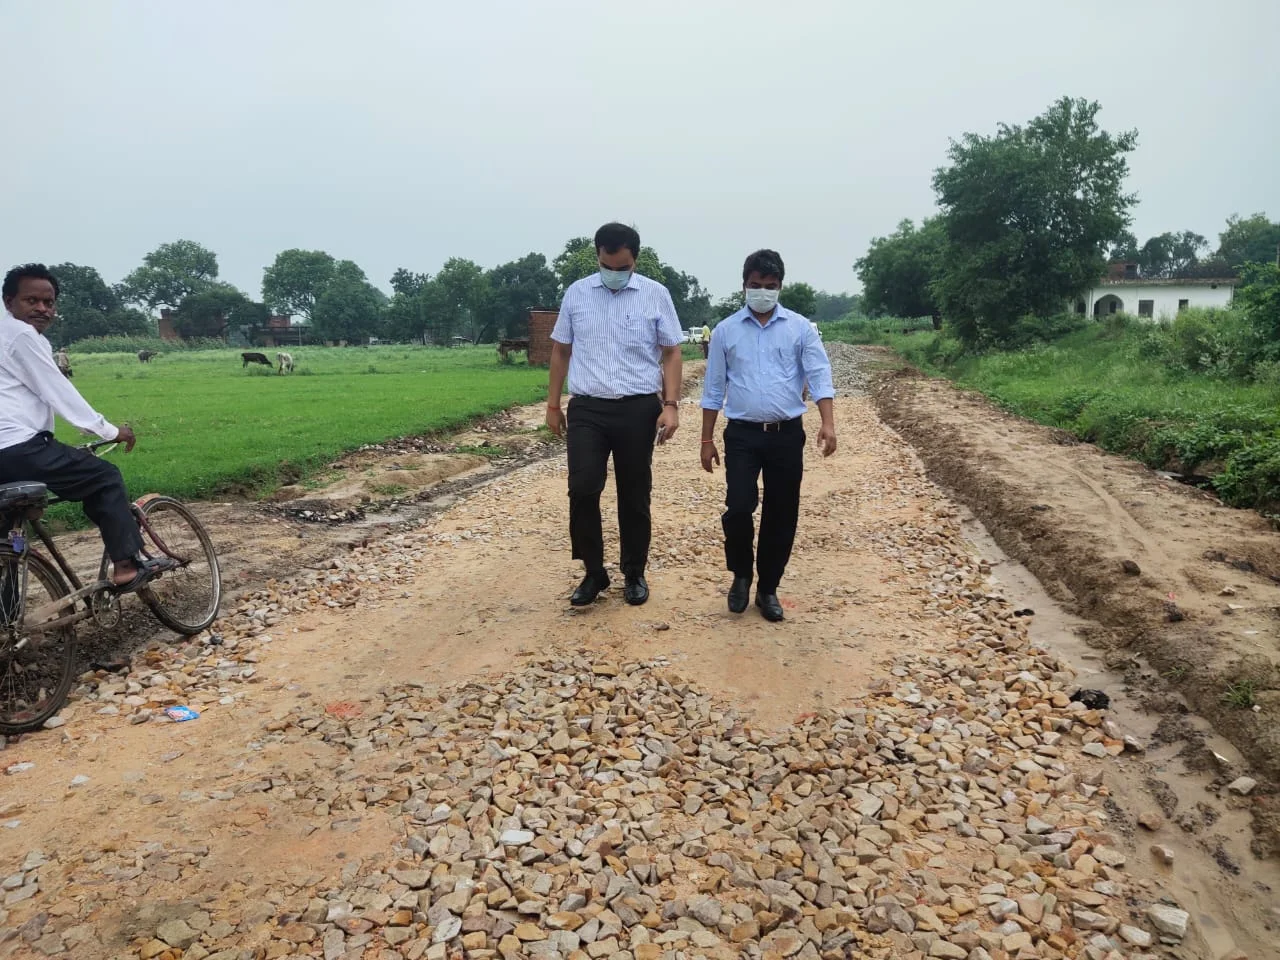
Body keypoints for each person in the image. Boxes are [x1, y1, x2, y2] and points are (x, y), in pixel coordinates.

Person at [0, 263, 166, 590]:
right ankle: (126, 566)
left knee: (9, 538)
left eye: (49, 303)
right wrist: (110, 431)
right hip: (20, 447)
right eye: (31, 301)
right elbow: (58, 390)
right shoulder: (21, 335)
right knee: (104, 478)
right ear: (9, 302)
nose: (42, 309)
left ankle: (8, 612)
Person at [546, 223, 683, 607]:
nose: (614, 273)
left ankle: (634, 572)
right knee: (583, 487)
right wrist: (553, 404)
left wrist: (671, 405)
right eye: (607, 265)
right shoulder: (577, 293)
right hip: (588, 408)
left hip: (638, 408)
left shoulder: (655, 294)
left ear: (635, 260)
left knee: (635, 492)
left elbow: (672, 351)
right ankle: (594, 572)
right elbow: (561, 350)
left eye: (622, 267)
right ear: (598, 256)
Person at [699, 249, 836, 622]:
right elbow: (713, 389)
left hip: (785, 435)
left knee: (782, 510)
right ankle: (741, 575)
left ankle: (768, 588)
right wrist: (706, 440)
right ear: (744, 285)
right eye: (756, 285)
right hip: (742, 435)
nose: (763, 292)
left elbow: (819, 375)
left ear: (780, 287)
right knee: (739, 505)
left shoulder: (800, 329)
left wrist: (828, 422)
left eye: (770, 286)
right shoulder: (726, 331)